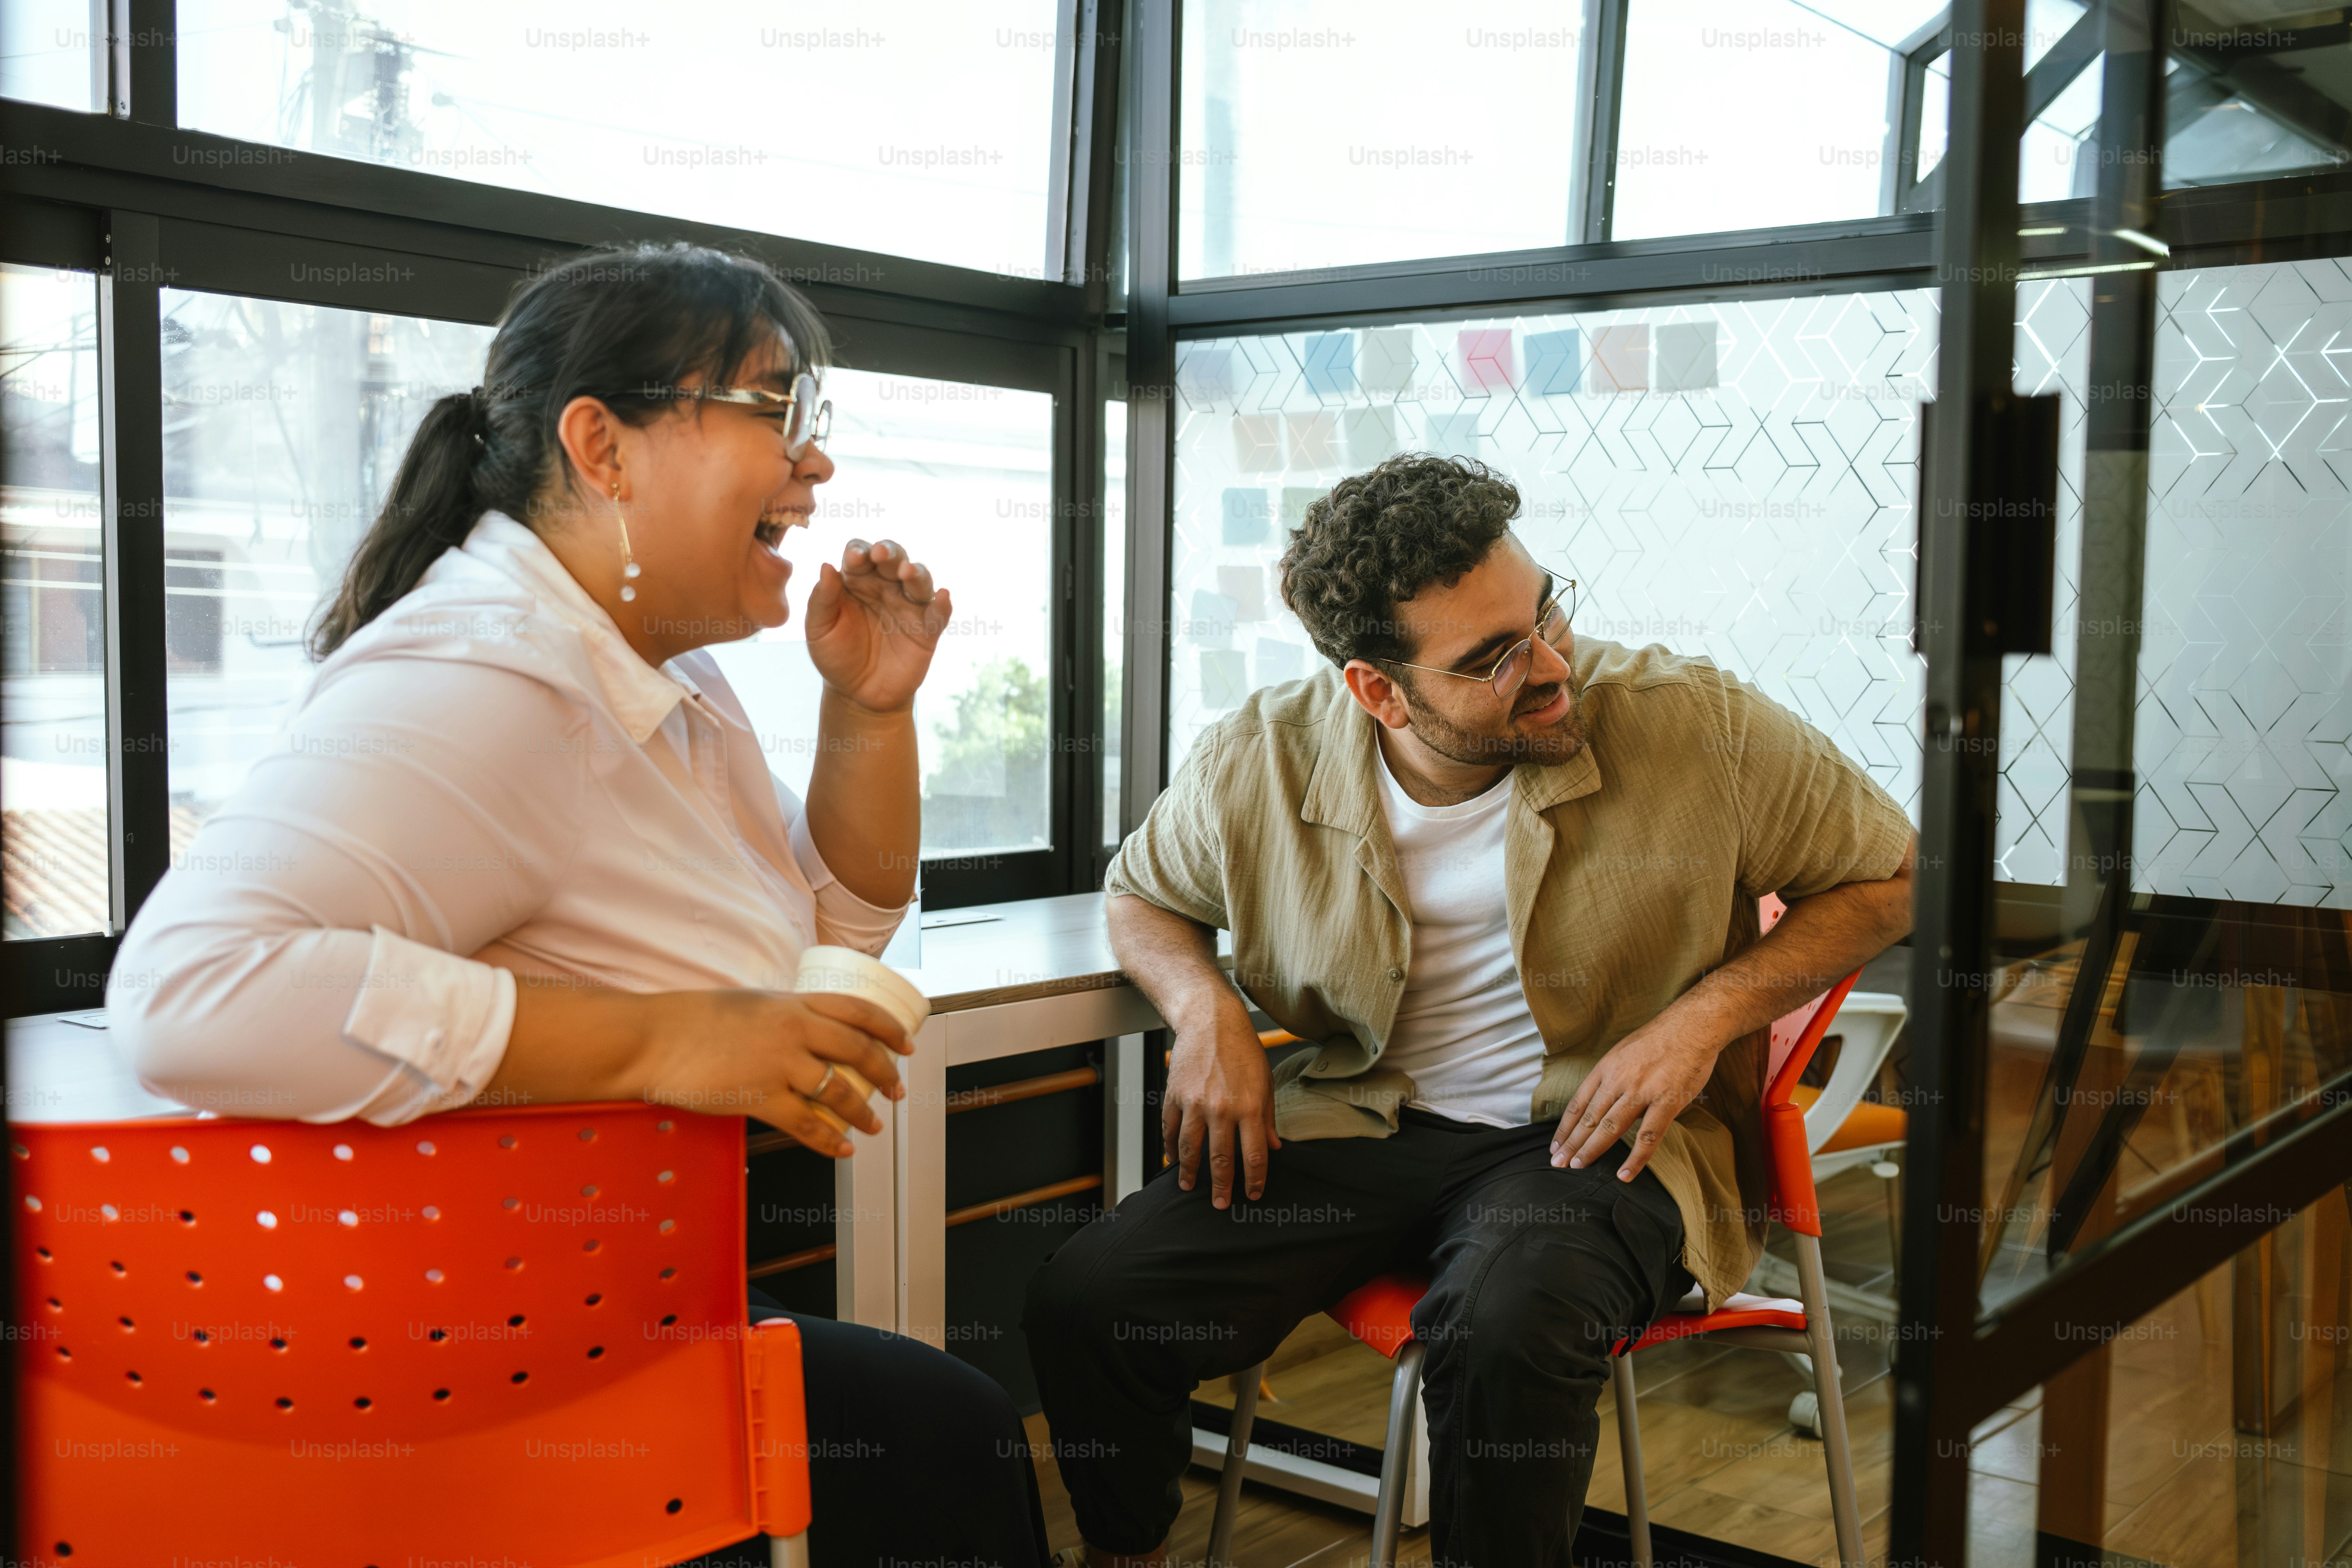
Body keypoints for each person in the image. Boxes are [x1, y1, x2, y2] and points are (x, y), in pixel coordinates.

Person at [107, 243, 1050, 1568]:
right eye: (776, 411)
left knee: (946, 1429)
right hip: (469, 1374)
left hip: (605, 1306)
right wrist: (664, 1039)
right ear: (603, 446)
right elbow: (180, 996)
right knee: (944, 1440)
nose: (816, 464)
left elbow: (831, 932)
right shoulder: (491, 686)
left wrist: (868, 714)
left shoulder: (656, 675)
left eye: (813, 422)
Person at [1023, 453, 1917, 1566]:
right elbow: (1143, 894)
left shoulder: (1691, 723)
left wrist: (1702, 1020)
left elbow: (1894, 875)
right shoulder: (1260, 757)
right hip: (1363, 1121)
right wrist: (1203, 1009)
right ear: (1378, 692)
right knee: (1089, 1301)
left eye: (1546, 614)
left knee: (1504, 1323)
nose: (1551, 667)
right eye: (1493, 659)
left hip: (1593, 1137)